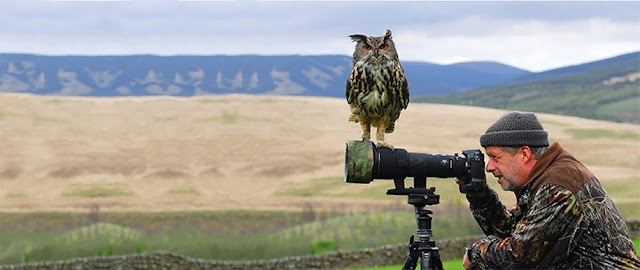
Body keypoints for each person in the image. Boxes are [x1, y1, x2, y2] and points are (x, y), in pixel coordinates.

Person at [457, 111, 640, 269]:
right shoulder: (544, 178)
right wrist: (479, 195)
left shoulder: (558, 186)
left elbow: (519, 258)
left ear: (524, 154)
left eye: (495, 157)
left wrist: (476, 251)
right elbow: (510, 232)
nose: (489, 167)